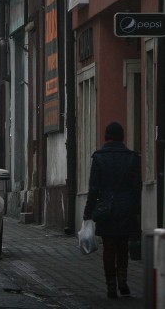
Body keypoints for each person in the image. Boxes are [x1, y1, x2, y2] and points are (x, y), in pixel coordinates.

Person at [83, 122, 142, 299]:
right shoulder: (132, 157)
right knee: (123, 246)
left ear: (106, 137)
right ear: (122, 137)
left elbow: (93, 188)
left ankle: (110, 286)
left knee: (109, 248)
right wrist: (136, 210)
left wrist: (88, 211)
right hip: (126, 208)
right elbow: (136, 187)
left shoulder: (99, 158)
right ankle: (123, 281)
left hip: (106, 209)